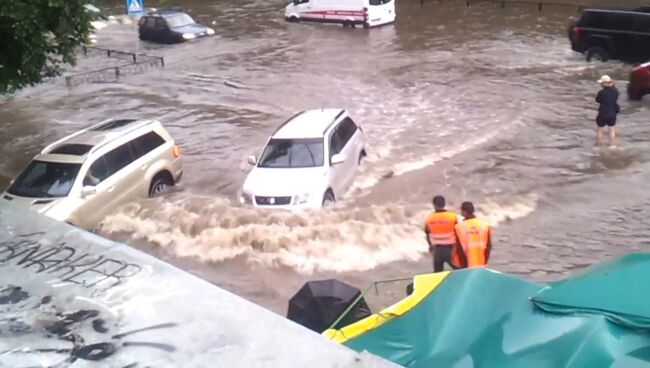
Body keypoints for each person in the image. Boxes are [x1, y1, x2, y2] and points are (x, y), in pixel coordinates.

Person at [424, 195, 459, 272]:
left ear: (434, 205)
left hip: (437, 251)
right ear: (444, 204)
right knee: (461, 271)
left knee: (437, 274)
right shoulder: (452, 217)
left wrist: (431, 246)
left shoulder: (429, 218)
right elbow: (459, 233)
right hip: (451, 249)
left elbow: (427, 234)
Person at [452, 201, 492, 268]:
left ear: (464, 212)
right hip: (481, 262)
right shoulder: (484, 225)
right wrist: (485, 261)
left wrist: (463, 265)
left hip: (466, 263)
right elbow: (488, 245)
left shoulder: (458, 227)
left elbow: (459, 249)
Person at [595, 75, 620, 147]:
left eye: (601, 83)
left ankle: (599, 145)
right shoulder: (615, 91)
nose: (600, 84)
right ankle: (612, 145)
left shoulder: (601, 92)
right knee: (612, 130)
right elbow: (615, 92)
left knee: (600, 130)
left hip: (602, 113)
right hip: (612, 113)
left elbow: (597, 100)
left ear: (604, 84)